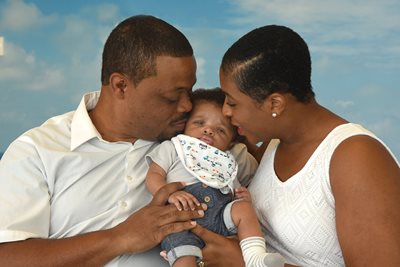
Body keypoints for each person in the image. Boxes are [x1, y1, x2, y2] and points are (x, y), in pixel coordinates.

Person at [0, 15, 259, 267]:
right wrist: (120, 238)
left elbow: (262, 157)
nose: (186, 105)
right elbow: (7, 257)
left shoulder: (189, 139)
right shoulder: (37, 151)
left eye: (189, 91)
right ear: (121, 86)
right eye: (172, 97)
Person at [191, 25, 400, 267]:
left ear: (275, 104)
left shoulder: (357, 157)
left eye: (233, 103)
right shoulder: (272, 143)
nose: (225, 111)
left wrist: (243, 261)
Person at [145, 88, 283, 267]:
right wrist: (170, 194)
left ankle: (254, 257)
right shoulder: (174, 148)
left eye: (220, 130)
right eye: (199, 122)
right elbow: (154, 176)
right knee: (183, 256)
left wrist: (243, 197)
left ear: (231, 141)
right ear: (185, 125)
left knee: (243, 209)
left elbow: (254, 174)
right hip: (180, 219)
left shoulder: (231, 157)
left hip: (220, 215)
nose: (209, 131)